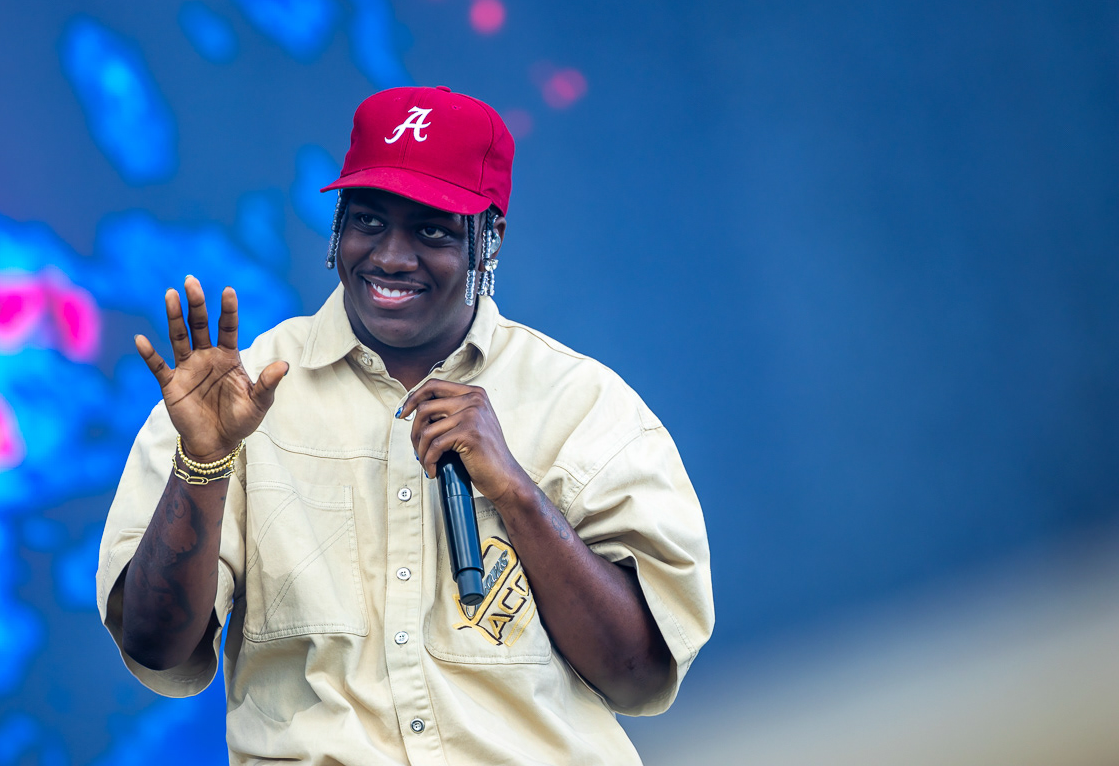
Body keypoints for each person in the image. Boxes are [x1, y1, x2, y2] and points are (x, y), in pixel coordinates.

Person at [97, 85, 713, 765]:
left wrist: (515, 492)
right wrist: (204, 464)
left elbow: (639, 676)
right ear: (338, 227)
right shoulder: (236, 396)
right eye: (368, 220)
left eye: (432, 230)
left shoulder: (582, 404)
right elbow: (156, 648)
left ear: (489, 241)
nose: (391, 256)